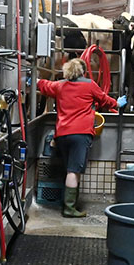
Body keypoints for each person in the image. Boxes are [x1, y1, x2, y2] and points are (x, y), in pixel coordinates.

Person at [35, 58, 125, 217]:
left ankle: (70, 203)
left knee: (69, 169)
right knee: (73, 171)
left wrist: (30, 79)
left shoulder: (60, 85)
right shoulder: (89, 85)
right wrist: (117, 104)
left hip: (62, 134)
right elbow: (104, 99)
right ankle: (69, 208)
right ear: (82, 71)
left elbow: (44, 85)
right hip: (80, 134)